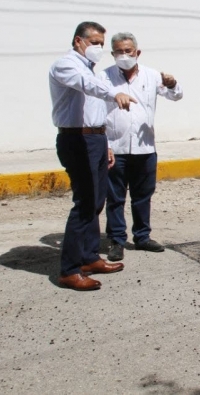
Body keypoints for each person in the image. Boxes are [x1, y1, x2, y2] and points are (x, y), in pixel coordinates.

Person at [50, 22, 136, 291]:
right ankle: (69, 270)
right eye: (95, 42)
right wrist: (115, 92)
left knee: (97, 201)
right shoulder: (66, 65)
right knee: (85, 203)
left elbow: (94, 110)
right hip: (77, 140)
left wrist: (105, 142)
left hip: (95, 139)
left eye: (101, 43)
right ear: (79, 41)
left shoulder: (89, 69)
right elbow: (87, 86)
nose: (99, 47)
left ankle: (88, 258)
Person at [100, 32, 183, 262]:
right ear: (112, 54)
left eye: (128, 51)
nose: (124, 55)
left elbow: (176, 96)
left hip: (144, 147)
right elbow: (95, 110)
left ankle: (142, 237)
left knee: (143, 196)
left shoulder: (152, 75)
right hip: (115, 148)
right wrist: (105, 144)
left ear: (137, 52)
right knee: (115, 197)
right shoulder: (104, 77)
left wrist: (173, 84)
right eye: (119, 51)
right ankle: (116, 240)